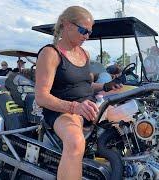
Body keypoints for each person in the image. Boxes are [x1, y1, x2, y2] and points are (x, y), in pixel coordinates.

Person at [35, 6, 121, 180]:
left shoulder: (84, 54)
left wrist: (105, 87)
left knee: (134, 126)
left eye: (89, 32)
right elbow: (41, 96)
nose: (87, 36)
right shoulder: (50, 53)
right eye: (83, 30)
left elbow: (85, 85)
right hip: (63, 111)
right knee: (75, 142)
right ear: (67, 25)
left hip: (88, 106)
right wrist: (75, 107)